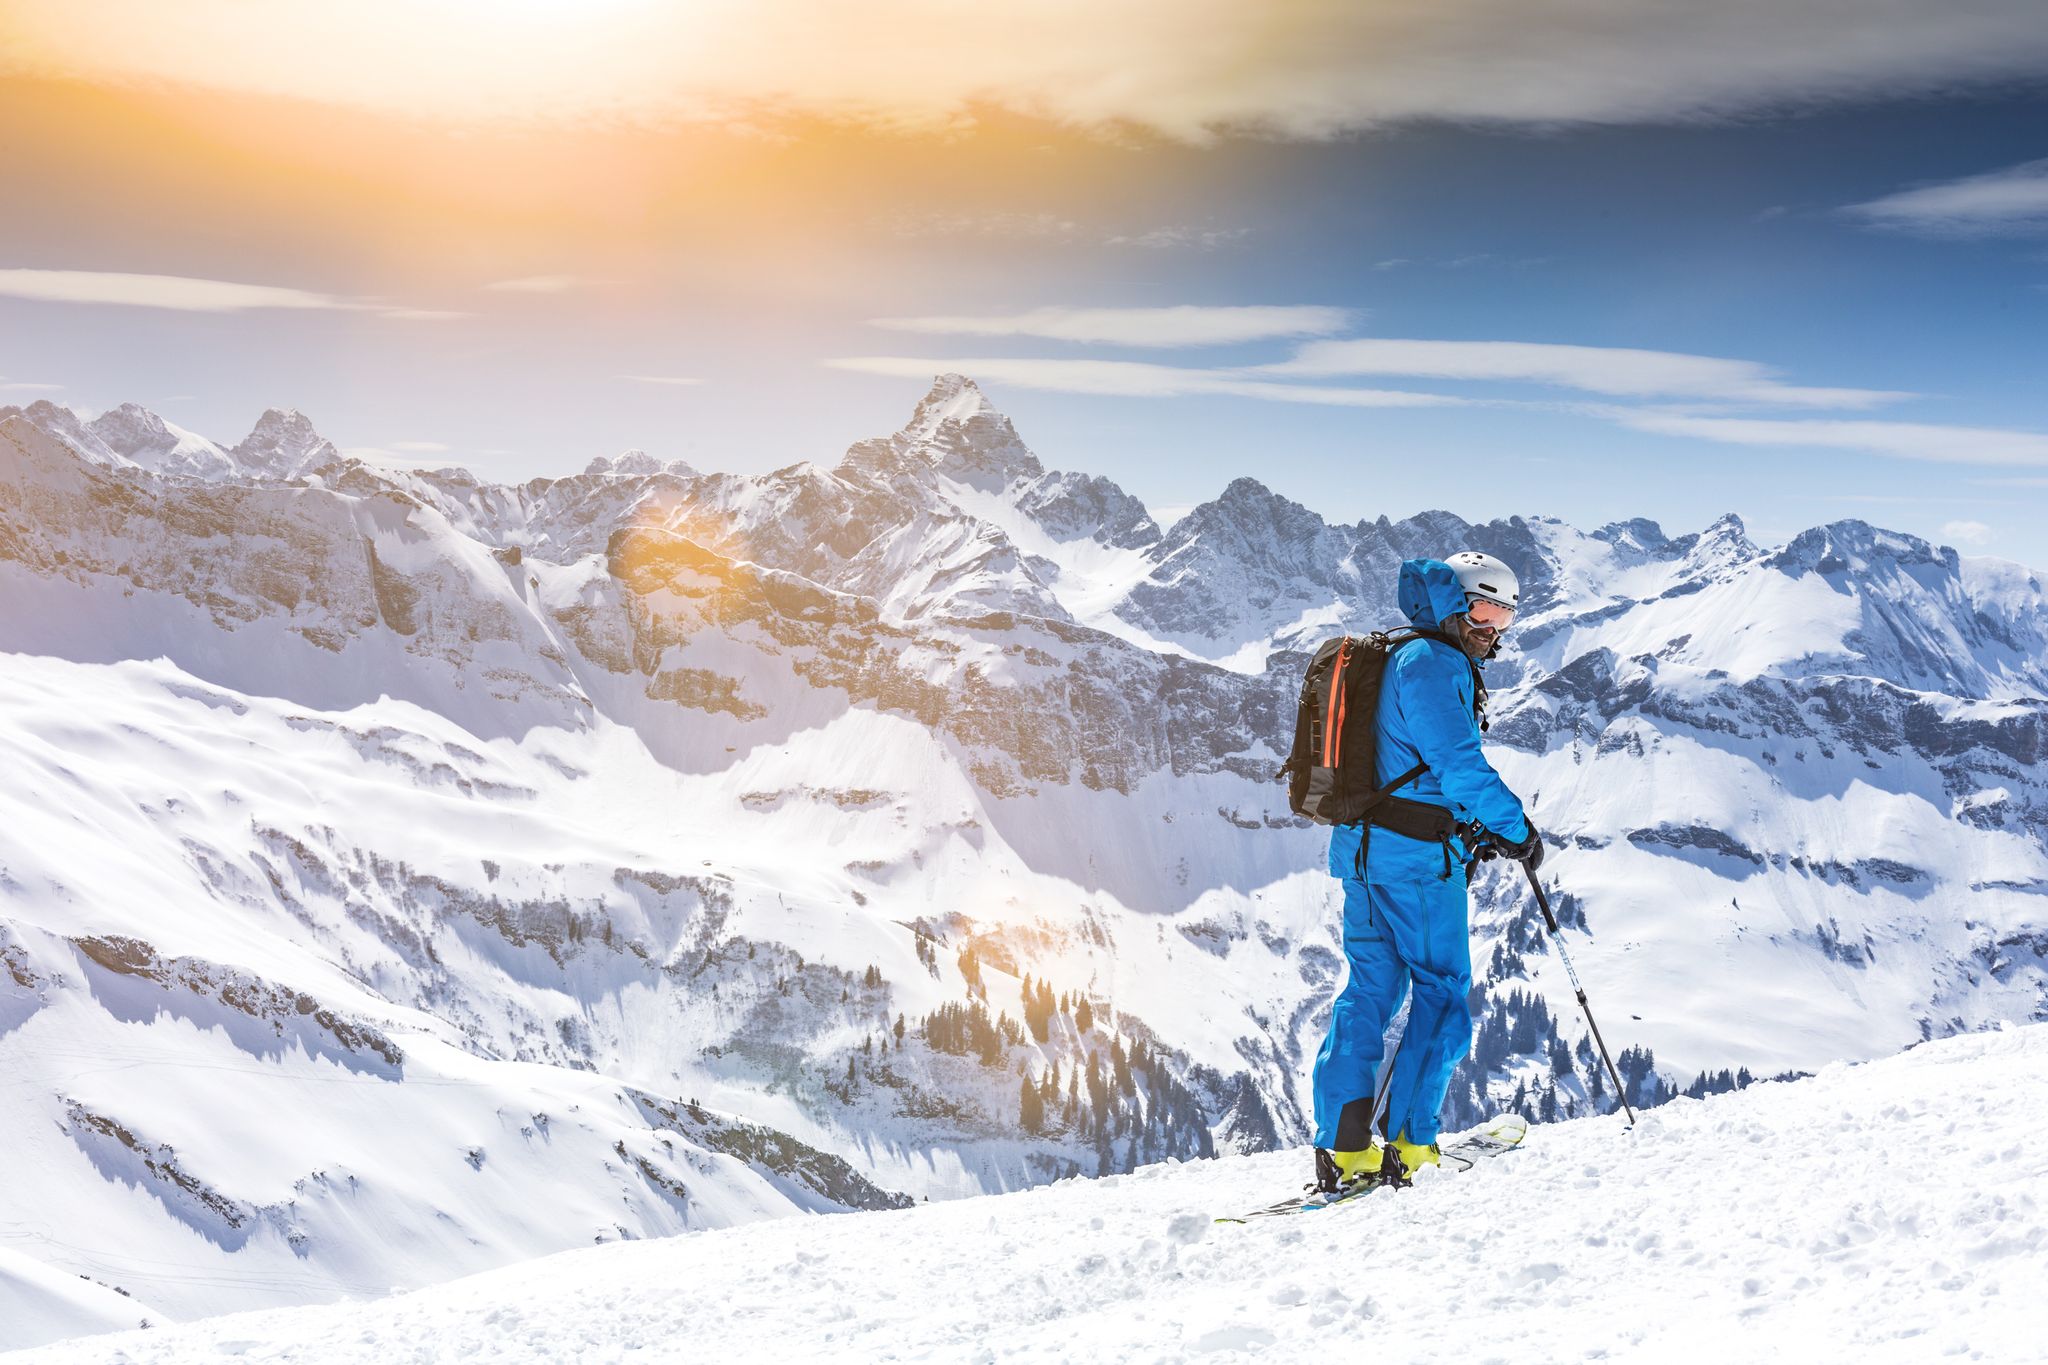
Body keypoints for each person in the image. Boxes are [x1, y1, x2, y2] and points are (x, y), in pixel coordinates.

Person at [1309, 551, 1542, 1190]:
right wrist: (1517, 831)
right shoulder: (1436, 663)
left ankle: (1344, 1148)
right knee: (1439, 991)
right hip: (1415, 863)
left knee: (1368, 993)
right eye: (1486, 608)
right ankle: (1410, 1144)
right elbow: (1459, 767)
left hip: (1362, 853)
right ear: (1455, 603)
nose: (1494, 626)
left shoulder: (1393, 656)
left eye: (1506, 614)